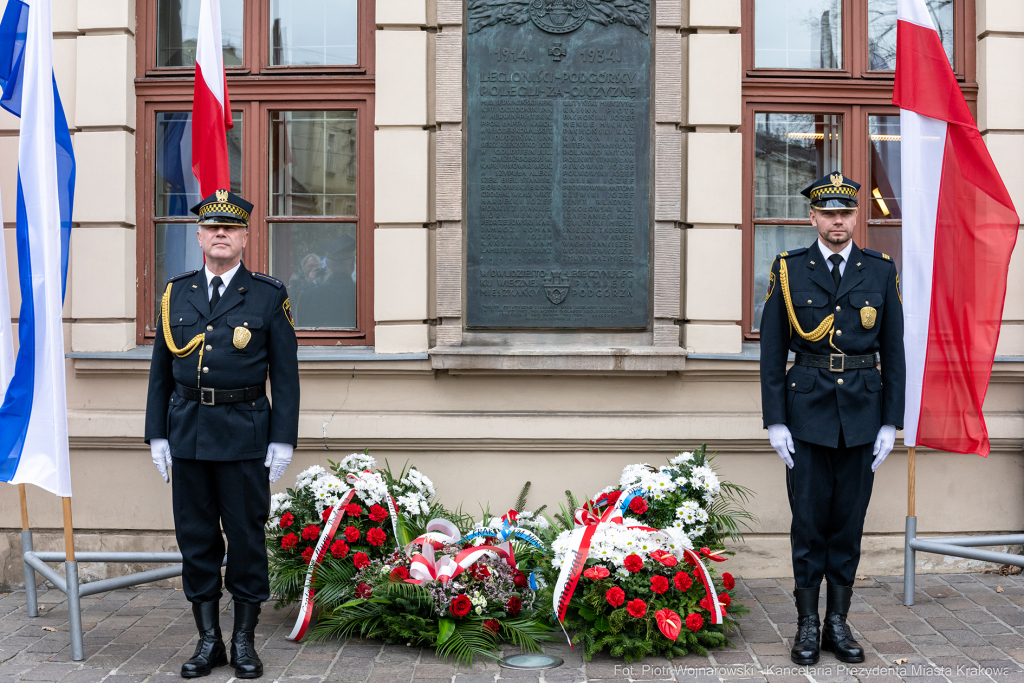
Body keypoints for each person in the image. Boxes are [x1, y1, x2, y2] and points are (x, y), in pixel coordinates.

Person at [144, 189, 300, 679]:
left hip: (244, 433)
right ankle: (208, 640)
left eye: (230, 229)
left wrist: (283, 438)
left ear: (246, 237)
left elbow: (286, 374)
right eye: (212, 228)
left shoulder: (268, 295)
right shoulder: (177, 293)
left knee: (247, 538)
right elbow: (160, 373)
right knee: (196, 539)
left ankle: (244, 641)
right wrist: (156, 435)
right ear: (199, 236)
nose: (220, 235)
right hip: (188, 432)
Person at [759, 173, 905, 666]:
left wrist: (891, 422)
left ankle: (837, 623)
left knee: (847, 523)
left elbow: (894, 351)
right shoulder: (788, 270)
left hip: (863, 414)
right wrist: (775, 420)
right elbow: (774, 351)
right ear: (813, 218)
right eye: (828, 213)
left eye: (845, 212)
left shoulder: (880, 271)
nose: (838, 220)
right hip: (807, 415)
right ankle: (805, 624)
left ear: (855, 216)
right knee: (808, 523)